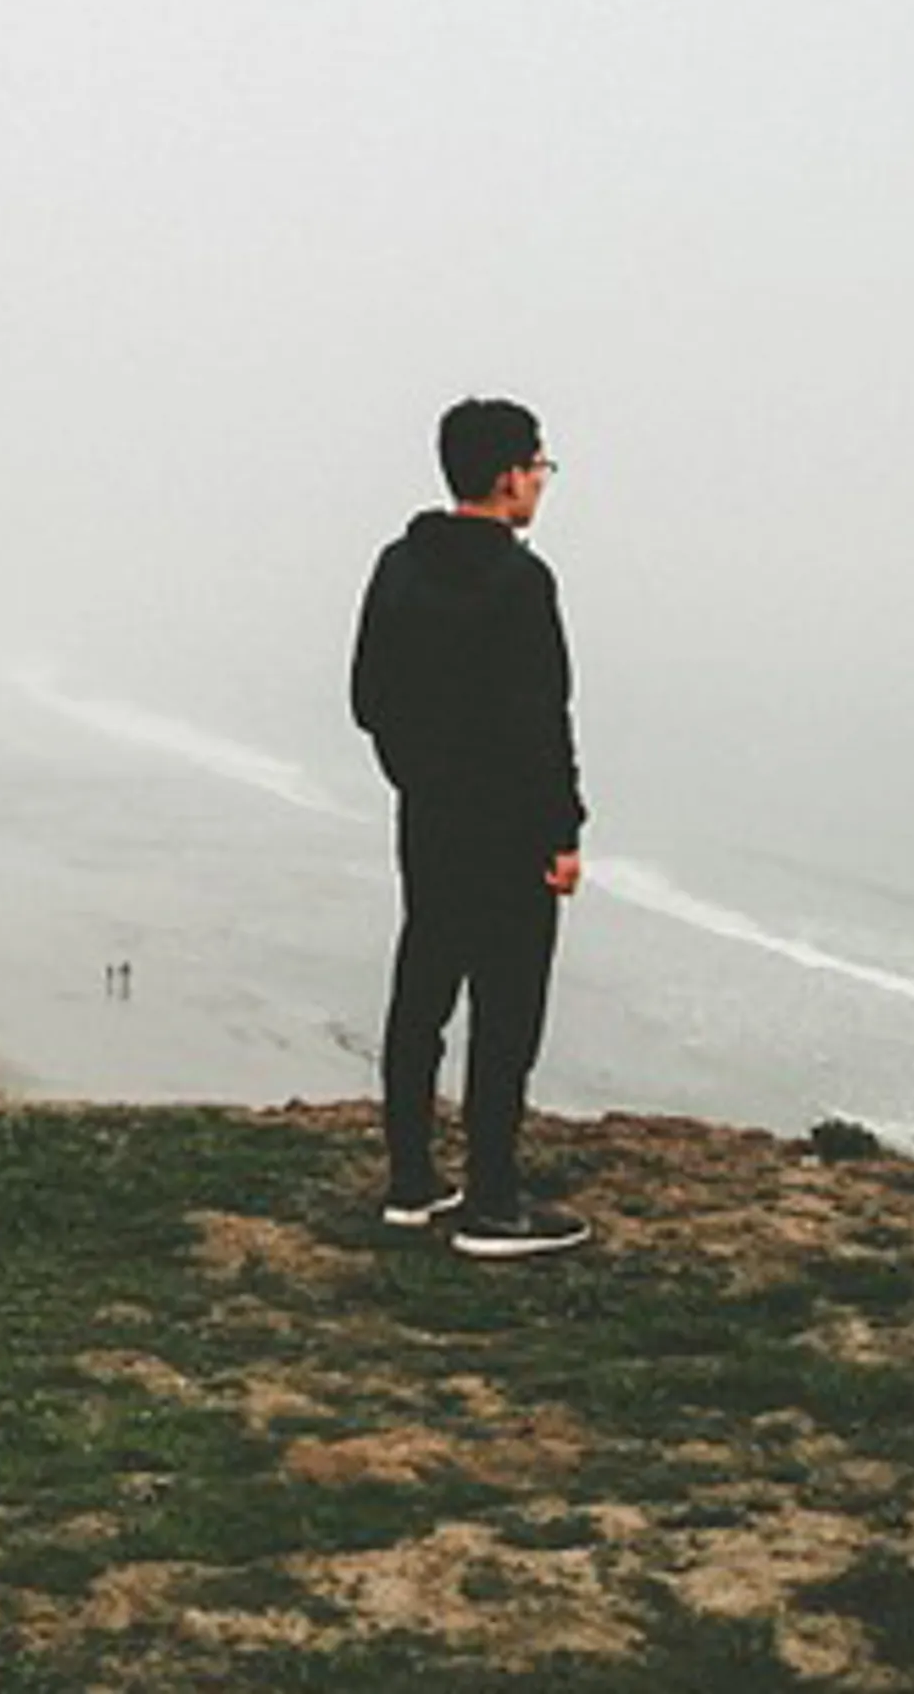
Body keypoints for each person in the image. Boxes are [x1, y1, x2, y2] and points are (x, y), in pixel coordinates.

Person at [349, 397, 592, 1259]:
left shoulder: (397, 567)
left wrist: (420, 776)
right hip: (511, 831)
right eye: (540, 466)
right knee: (506, 1013)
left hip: (430, 820)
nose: (542, 482)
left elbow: (368, 700)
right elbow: (541, 721)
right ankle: (493, 1203)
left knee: (421, 996)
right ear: (506, 476)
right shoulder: (522, 583)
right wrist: (562, 833)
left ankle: (411, 1183)